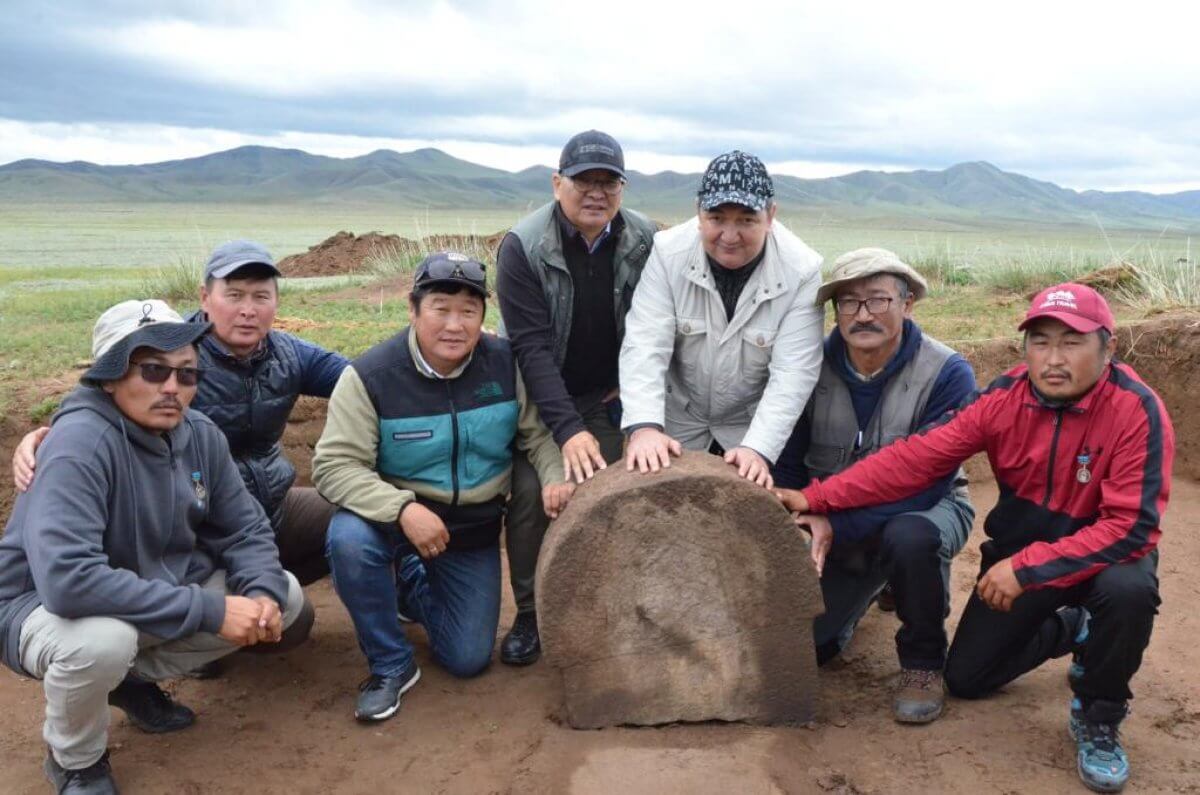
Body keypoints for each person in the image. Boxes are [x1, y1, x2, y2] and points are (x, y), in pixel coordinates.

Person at [777, 283, 1173, 793]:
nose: (1053, 359)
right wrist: (818, 498)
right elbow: (916, 458)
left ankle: (1099, 715)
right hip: (1024, 551)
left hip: (1103, 557)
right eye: (1041, 341)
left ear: (1108, 347)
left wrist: (1026, 570)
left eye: (1072, 343)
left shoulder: (1137, 411)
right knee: (966, 679)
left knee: (1128, 592)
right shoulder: (1004, 398)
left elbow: (1131, 528)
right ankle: (1075, 627)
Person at [0, 300, 311, 794]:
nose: (172, 387)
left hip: (144, 592)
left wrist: (263, 595)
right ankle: (76, 761)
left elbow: (245, 530)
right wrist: (209, 610)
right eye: (152, 370)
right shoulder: (78, 444)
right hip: (41, 607)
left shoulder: (199, 434)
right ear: (109, 377)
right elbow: (67, 584)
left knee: (285, 595)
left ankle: (125, 680)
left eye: (186, 375)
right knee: (101, 644)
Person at [313, 252, 571, 723]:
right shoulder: (370, 376)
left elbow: (538, 435)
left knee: (468, 658)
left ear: (483, 318)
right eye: (440, 308)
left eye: (468, 311)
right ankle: (390, 664)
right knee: (348, 539)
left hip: (469, 530)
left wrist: (555, 477)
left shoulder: (505, 365)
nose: (455, 324)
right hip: (395, 521)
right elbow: (333, 466)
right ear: (412, 310)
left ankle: (411, 584)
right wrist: (403, 509)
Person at [14, 240, 350, 587]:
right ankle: (220, 602)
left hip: (269, 508)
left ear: (276, 302)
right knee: (277, 607)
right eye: (234, 295)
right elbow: (103, 390)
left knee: (356, 517)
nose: (248, 309)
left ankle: (266, 590)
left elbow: (365, 382)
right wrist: (50, 431)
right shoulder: (176, 352)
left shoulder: (292, 355)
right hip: (197, 521)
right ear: (205, 297)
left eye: (260, 296)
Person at [772, 248, 977, 724]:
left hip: (928, 506)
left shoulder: (948, 373)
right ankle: (872, 582)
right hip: (827, 515)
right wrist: (799, 524)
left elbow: (926, 484)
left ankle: (923, 662)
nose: (863, 315)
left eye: (878, 300)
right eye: (848, 303)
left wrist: (833, 523)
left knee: (909, 538)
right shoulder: (807, 366)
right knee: (811, 648)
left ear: (908, 304)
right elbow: (786, 462)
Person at [494, 130, 657, 665]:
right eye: (583, 179)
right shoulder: (523, 247)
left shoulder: (644, 239)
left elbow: (654, 327)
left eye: (608, 181)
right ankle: (532, 613)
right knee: (531, 491)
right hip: (542, 399)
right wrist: (567, 429)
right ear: (557, 182)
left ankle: (620, 605)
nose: (595, 191)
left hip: (612, 394)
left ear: (622, 187)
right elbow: (532, 347)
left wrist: (634, 403)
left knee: (627, 484)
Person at [619, 150, 824, 484]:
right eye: (716, 218)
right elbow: (645, 344)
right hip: (678, 422)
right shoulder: (668, 252)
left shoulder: (802, 270)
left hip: (754, 425)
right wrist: (644, 426)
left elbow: (794, 372)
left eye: (746, 219)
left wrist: (758, 449)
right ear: (699, 212)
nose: (730, 236)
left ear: (771, 216)